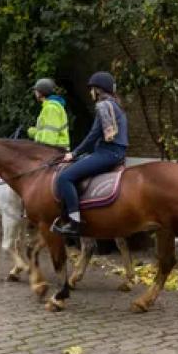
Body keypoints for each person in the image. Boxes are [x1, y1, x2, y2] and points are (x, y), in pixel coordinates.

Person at [51, 72, 128, 237]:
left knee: (65, 177)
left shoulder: (103, 106)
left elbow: (93, 135)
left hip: (108, 153)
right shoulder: (116, 105)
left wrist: (74, 153)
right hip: (116, 152)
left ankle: (74, 222)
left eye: (92, 89)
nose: (90, 92)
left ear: (98, 90)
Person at [27, 79, 70, 151]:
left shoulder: (51, 108)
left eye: (36, 90)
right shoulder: (49, 106)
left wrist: (42, 152)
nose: (35, 93)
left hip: (54, 151)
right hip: (55, 150)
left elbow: (50, 135)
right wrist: (34, 132)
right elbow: (46, 130)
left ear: (40, 92)